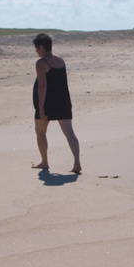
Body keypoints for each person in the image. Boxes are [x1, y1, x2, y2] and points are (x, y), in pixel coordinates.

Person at [30, 32, 81, 174]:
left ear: (41, 47)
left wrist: (40, 107)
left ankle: (45, 162)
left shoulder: (41, 63)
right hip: (63, 101)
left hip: (48, 103)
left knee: (40, 132)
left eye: (36, 48)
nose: (36, 51)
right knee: (69, 133)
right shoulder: (61, 60)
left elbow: (43, 86)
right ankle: (77, 162)